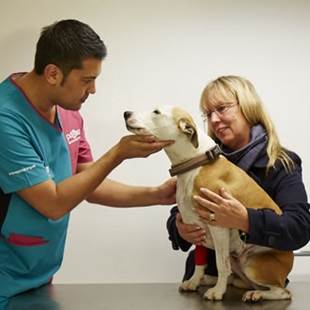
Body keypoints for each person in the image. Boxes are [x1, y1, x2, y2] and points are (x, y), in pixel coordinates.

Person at [0, 19, 176, 308]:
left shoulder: (69, 110)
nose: (93, 89)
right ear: (53, 73)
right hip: (5, 277)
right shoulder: (6, 118)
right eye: (86, 80)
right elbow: (53, 204)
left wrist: (155, 195)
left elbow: (88, 183)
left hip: (40, 275)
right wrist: (117, 153)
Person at [167, 75, 310, 283]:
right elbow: (178, 213)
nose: (214, 120)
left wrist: (246, 220)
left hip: (257, 284)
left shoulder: (282, 164)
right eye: (208, 114)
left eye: (222, 108)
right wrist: (180, 228)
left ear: (248, 107)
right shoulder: (200, 161)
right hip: (204, 283)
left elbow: (299, 228)